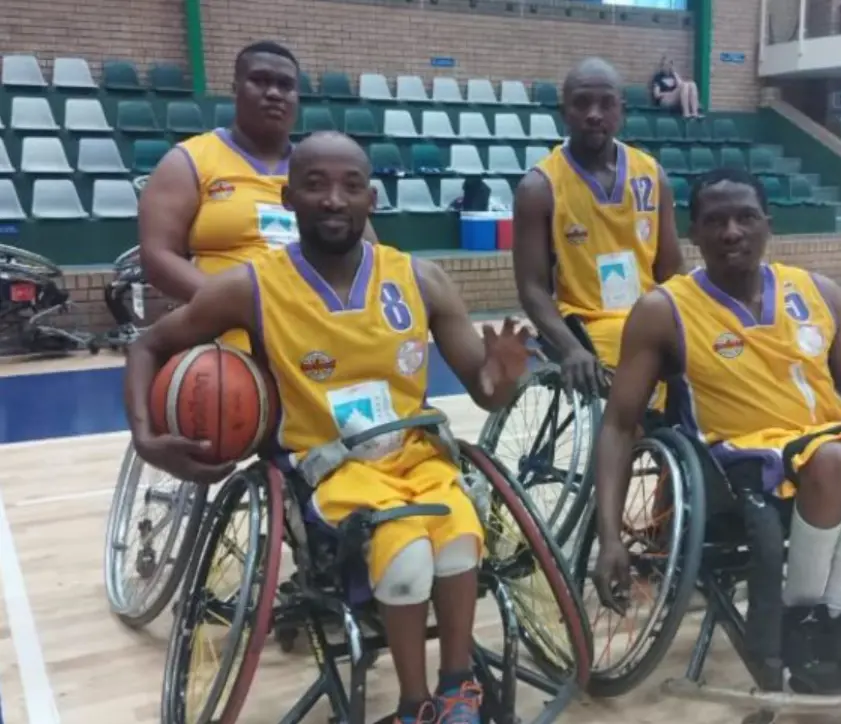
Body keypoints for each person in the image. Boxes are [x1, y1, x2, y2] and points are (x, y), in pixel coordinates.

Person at [123, 132, 531, 724]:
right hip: (328, 467)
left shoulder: (421, 279)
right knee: (408, 553)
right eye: (315, 185)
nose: (334, 199)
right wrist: (145, 435)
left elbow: (487, 395)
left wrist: (504, 375)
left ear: (373, 198)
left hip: (419, 457)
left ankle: (457, 688)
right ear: (289, 198)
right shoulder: (251, 286)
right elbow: (149, 345)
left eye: (350, 186)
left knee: (460, 535)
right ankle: (416, 707)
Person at [590, 168, 841, 697]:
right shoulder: (663, 309)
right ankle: (801, 621)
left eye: (745, 217)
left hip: (822, 438)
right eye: (715, 221)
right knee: (836, 461)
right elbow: (619, 424)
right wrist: (610, 534)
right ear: (694, 233)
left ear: (768, 226)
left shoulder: (817, 291)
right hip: (736, 462)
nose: (732, 231)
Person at [138, 40, 378, 350]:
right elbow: (157, 258)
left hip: (317, 334)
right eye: (260, 81)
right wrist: (242, 305)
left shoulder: (321, 171)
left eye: (285, 85)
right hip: (225, 342)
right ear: (236, 87)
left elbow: (370, 255)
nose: (275, 93)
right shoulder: (188, 160)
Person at [513, 57, 685, 404]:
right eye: (582, 103)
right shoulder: (539, 187)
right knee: (642, 393)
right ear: (565, 111)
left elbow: (671, 270)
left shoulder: (652, 175)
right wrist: (570, 348)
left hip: (649, 314)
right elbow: (532, 288)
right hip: (588, 324)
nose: (595, 113)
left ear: (621, 110)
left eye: (606, 103)